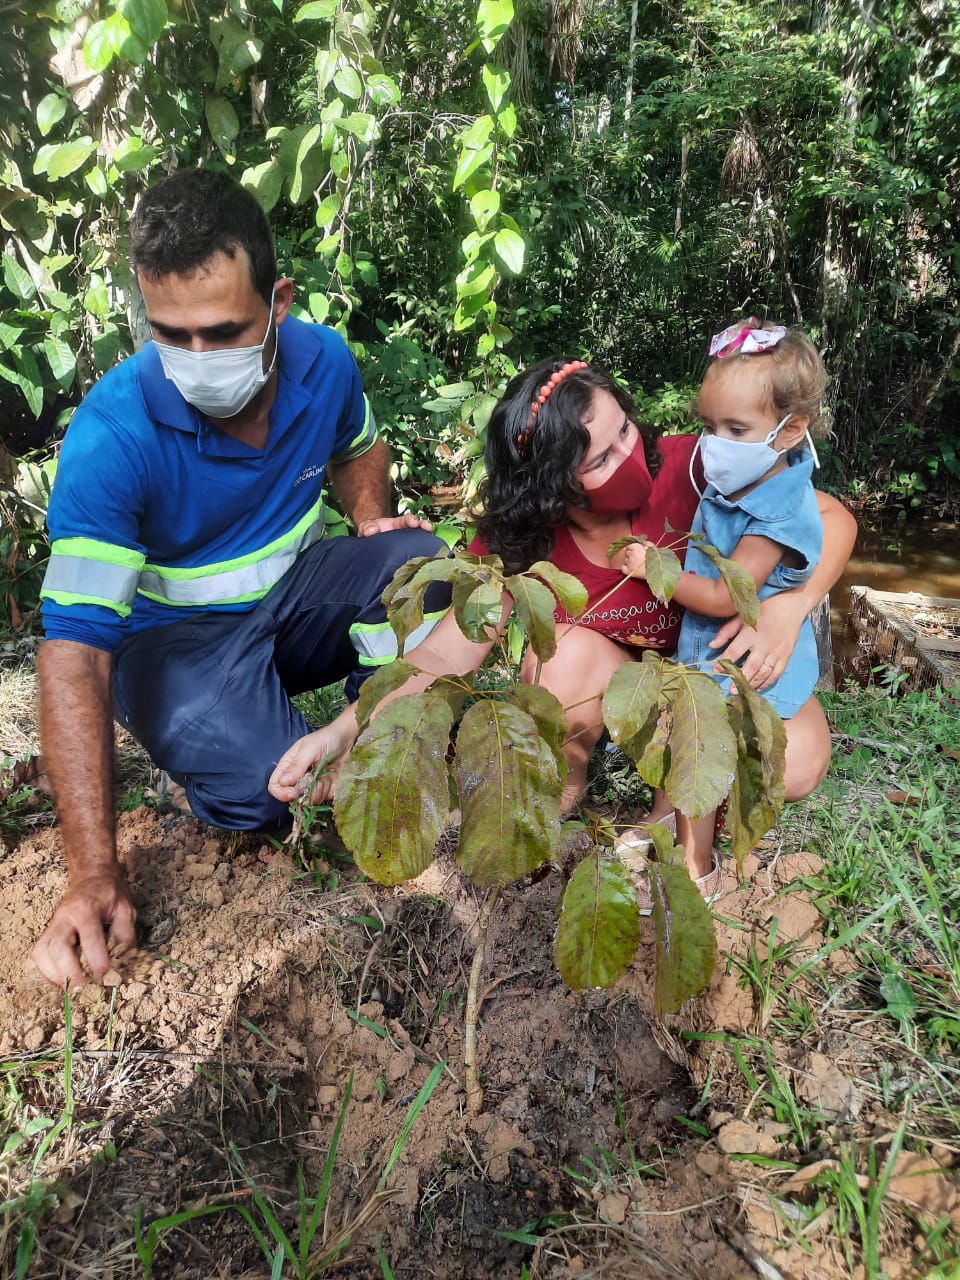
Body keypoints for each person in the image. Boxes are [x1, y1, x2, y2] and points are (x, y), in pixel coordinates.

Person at [31, 168, 445, 989]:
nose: (196, 359)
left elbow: (359, 446)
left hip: (292, 606)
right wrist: (93, 873)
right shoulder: (113, 436)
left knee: (421, 567)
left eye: (222, 332)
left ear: (278, 303)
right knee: (270, 791)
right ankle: (207, 772)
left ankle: (381, 737)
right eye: (171, 334)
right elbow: (74, 654)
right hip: (174, 649)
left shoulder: (324, 365)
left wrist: (370, 517)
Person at [269, 357, 856, 869]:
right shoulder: (524, 542)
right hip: (615, 689)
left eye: (625, 430)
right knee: (564, 653)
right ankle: (559, 788)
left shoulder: (696, 469)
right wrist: (344, 731)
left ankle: (680, 798)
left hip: (710, 681)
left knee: (798, 762)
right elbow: (446, 653)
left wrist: (790, 607)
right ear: (554, 483)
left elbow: (833, 518)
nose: (630, 455)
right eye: (601, 459)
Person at [621, 319, 830, 896]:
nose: (715, 443)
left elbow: (722, 596)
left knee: (703, 744)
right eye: (709, 426)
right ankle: (665, 818)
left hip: (738, 659)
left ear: (790, 431)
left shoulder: (775, 511)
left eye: (736, 429)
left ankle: (697, 868)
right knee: (684, 732)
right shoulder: (742, 477)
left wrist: (653, 567)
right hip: (711, 651)